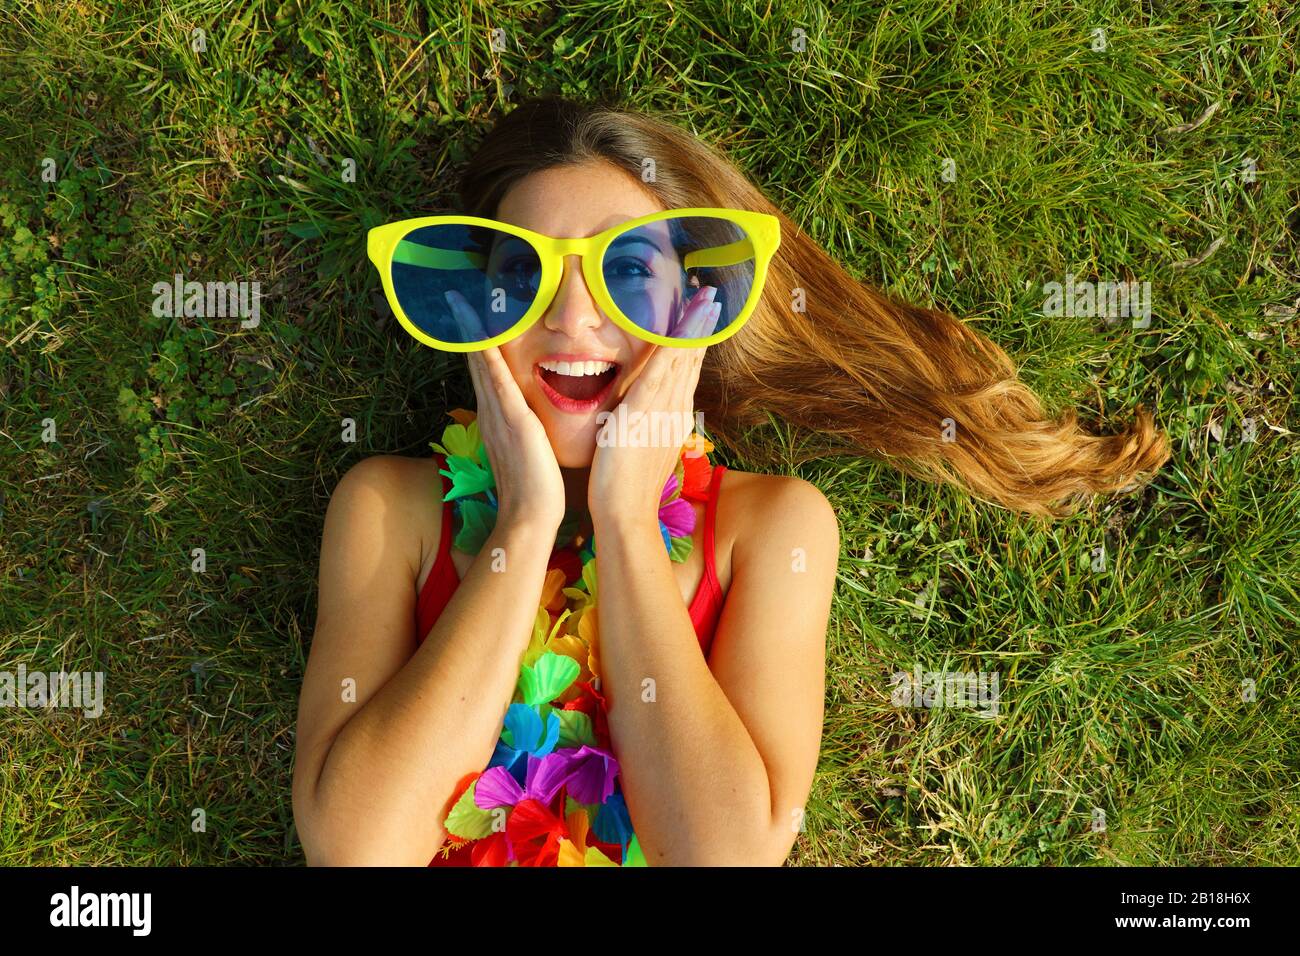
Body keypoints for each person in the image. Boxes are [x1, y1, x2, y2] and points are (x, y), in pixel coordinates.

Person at [291, 95, 1169, 866]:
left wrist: (628, 526)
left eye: (627, 269)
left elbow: (723, 857)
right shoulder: (389, 508)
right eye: (524, 272)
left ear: (694, 310)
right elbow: (359, 849)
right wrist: (523, 528)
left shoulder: (773, 530)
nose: (570, 315)